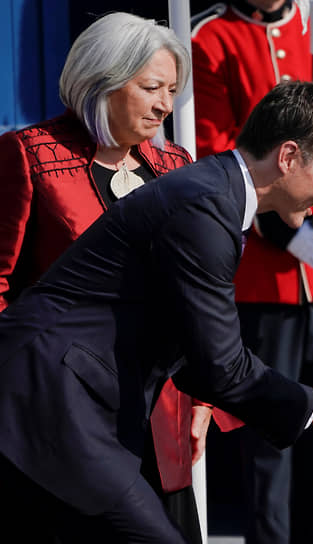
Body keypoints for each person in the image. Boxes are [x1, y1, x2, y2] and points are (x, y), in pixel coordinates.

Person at [0, 80, 313, 543]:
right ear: (287, 157)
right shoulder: (207, 206)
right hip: (49, 399)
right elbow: (221, 365)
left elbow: (200, 360)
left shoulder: (216, 195)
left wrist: (308, 399)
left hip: (67, 400)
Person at [0, 12, 213, 543]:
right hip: (58, 411)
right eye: (152, 88)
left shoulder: (175, 166)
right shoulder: (31, 155)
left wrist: (207, 397)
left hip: (157, 407)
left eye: (172, 90)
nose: (166, 104)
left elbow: (200, 292)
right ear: (104, 79)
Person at [191, 1, 313, 542]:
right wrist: (281, 232)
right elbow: (216, 149)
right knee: (269, 434)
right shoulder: (212, 36)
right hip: (264, 271)